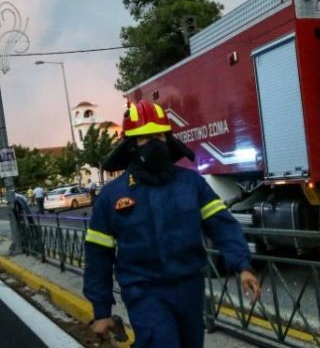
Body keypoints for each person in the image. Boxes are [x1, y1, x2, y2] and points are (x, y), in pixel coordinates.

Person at [83, 100, 260, 346]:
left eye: (158, 136)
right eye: (145, 138)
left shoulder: (191, 184)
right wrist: (101, 311)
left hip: (189, 288)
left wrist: (242, 266)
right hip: (144, 292)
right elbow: (98, 255)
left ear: (167, 139)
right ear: (132, 145)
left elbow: (222, 225)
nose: (154, 143)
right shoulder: (112, 196)